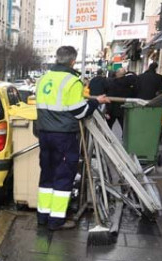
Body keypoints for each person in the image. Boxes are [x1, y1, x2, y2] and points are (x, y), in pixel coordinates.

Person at [35, 46, 110, 230]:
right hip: (64, 136)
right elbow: (80, 111)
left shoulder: (43, 78)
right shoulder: (72, 81)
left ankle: (43, 216)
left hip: (44, 134)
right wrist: (95, 101)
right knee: (63, 176)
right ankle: (56, 221)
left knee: (47, 175)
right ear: (73, 61)